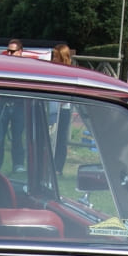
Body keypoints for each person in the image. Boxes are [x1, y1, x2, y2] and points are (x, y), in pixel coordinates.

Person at [0, 39, 27, 173]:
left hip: (19, 105)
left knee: (17, 137)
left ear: (20, 52)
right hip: (4, 103)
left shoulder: (26, 67)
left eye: (13, 51)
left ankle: (18, 164)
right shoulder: (4, 65)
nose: (9, 54)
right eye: (8, 51)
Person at [50, 43, 76, 175]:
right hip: (51, 108)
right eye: (53, 56)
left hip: (63, 109)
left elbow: (70, 93)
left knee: (60, 138)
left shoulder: (70, 72)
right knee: (50, 137)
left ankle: (58, 167)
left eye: (56, 57)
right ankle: (49, 164)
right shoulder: (51, 69)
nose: (54, 59)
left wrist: (60, 101)